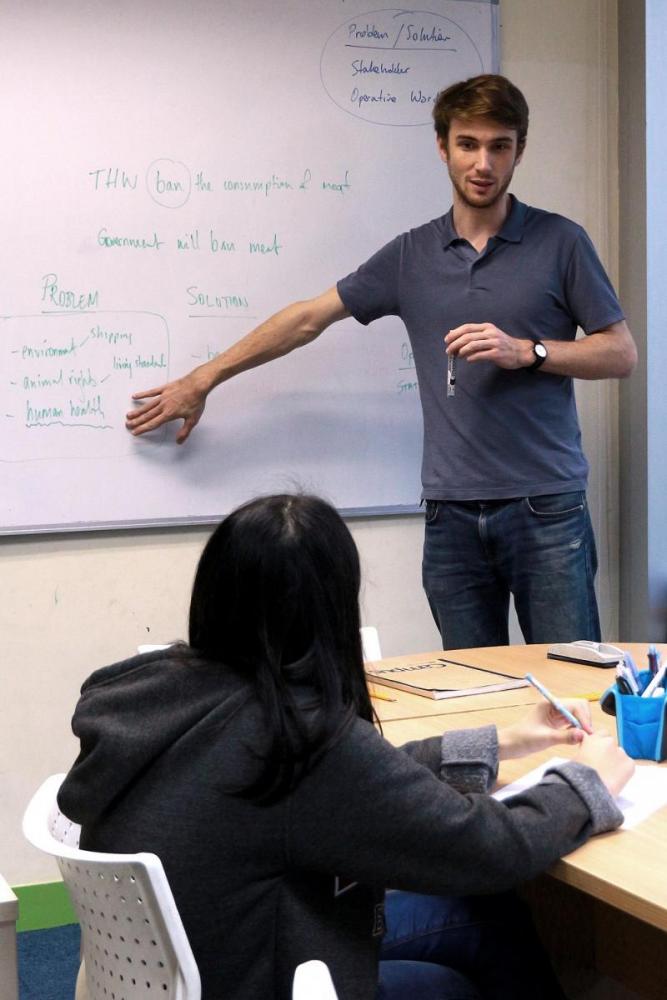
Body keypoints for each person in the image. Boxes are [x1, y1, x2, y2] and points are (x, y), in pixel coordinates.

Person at [124, 75, 636, 650]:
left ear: (520, 150)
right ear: (442, 146)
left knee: (574, 681)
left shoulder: (562, 242)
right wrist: (204, 378)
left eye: (500, 146)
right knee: (472, 684)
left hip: (546, 507)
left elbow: (620, 353)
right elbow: (307, 318)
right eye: (468, 144)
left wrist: (529, 351)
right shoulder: (412, 254)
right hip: (450, 516)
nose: (483, 163)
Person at [59, 492, 633, 1000]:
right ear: (332, 608)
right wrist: (586, 784)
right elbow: (488, 848)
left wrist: (500, 742)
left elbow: (355, 789)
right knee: (468, 958)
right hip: (267, 973)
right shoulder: (292, 737)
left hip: (206, 965)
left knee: (483, 916)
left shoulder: (168, 695)